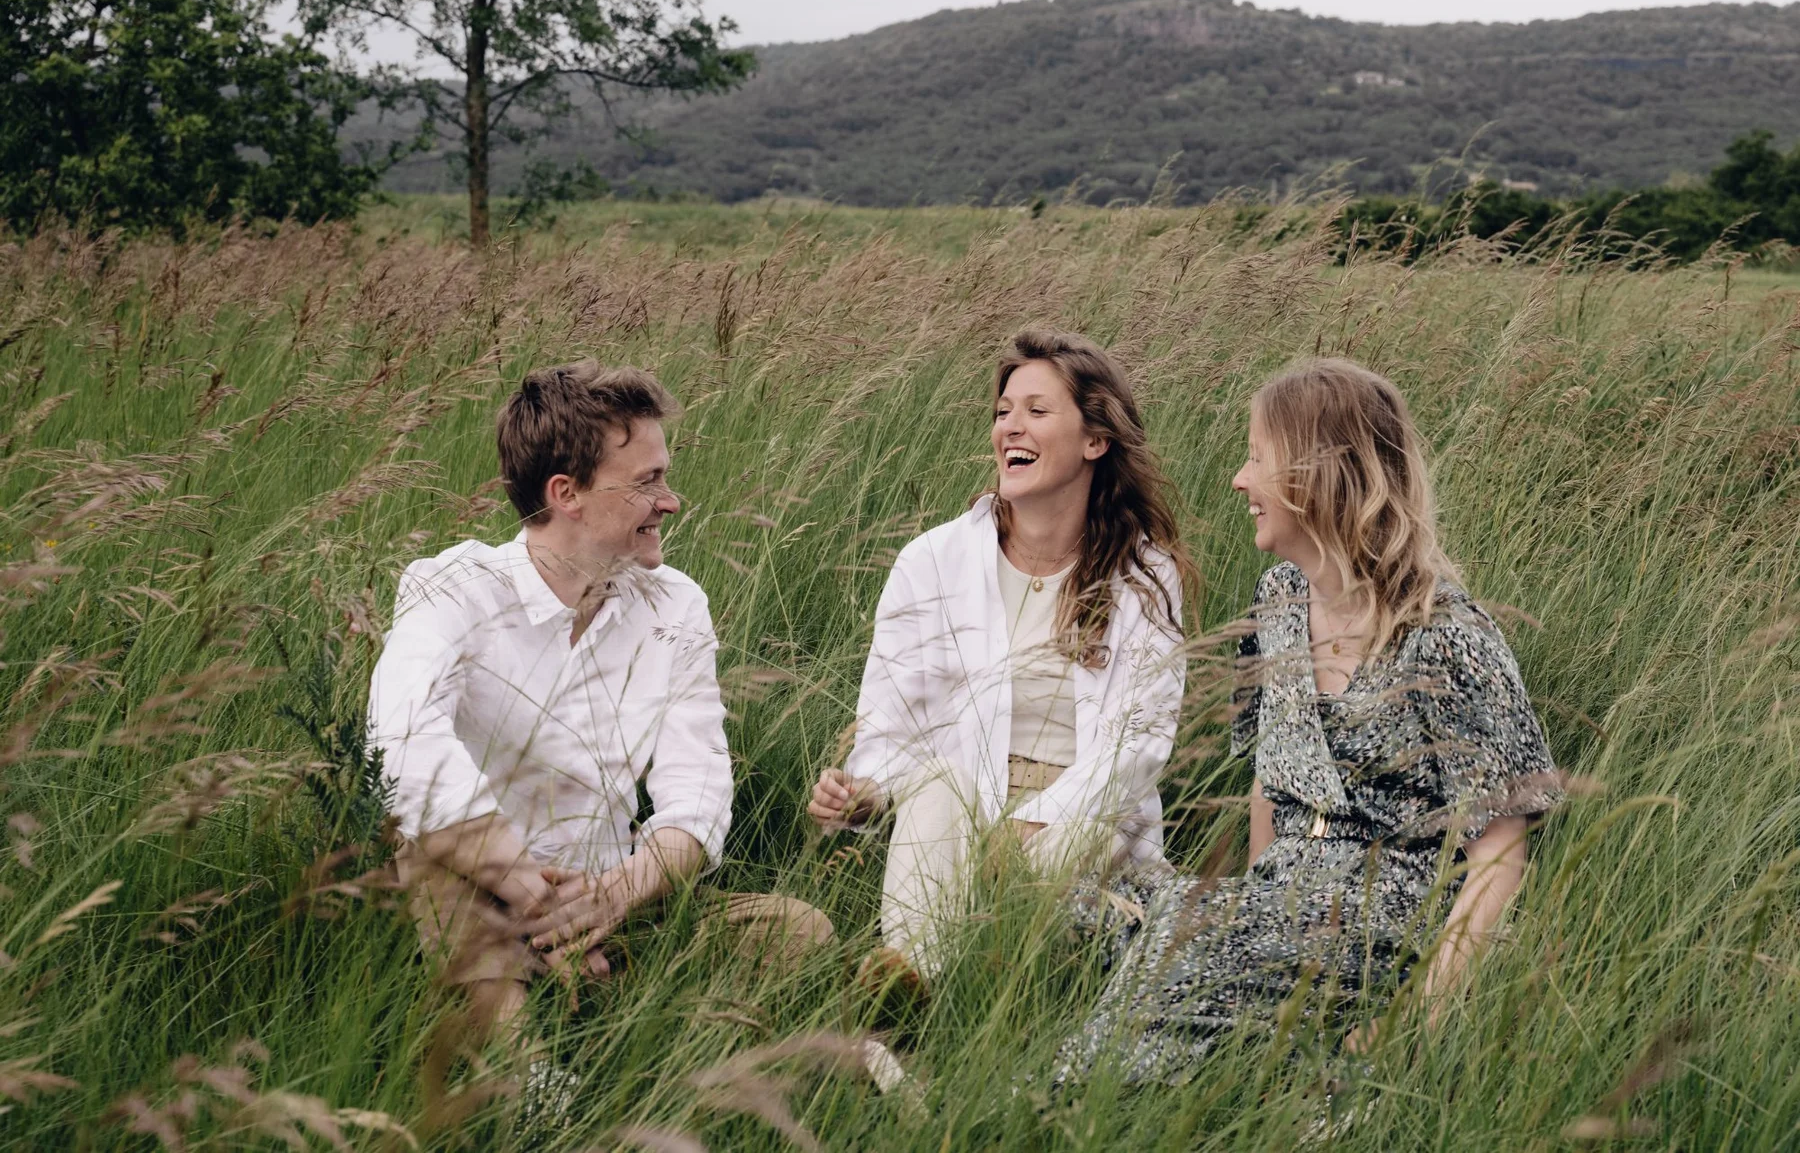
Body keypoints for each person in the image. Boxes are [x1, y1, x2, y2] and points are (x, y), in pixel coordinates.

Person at [1049, 357, 1564, 1086]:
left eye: (1257, 457)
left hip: (1381, 915)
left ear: (1319, 474)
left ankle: (1063, 1095)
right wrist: (1251, 909)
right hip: (1279, 899)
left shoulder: (1449, 635)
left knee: (1175, 938)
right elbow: (1272, 779)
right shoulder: (1281, 596)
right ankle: (1259, 1056)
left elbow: (1499, 857)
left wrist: (1416, 1023)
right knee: (1082, 900)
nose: (1238, 479)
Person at [368, 362, 832, 1046]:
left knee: (800, 931)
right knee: (426, 840)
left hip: (611, 893)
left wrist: (613, 895)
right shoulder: (454, 589)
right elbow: (402, 743)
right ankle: (526, 1080)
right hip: (482, 893)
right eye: (647, 482)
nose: (671, 501)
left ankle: (648, 1040)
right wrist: (538, 897)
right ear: (568, 494)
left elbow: (698, 793)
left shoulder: (675, 605)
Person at [808, 329, 1193, 989]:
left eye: (1037, 411)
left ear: (1095, 440)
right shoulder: (932, 561)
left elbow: (1140, 741)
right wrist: (865, 788)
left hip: (1081, 809)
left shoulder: (1144, 573)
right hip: (961, 801)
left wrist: (1036, 820)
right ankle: (908, 985)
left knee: (1074, 845)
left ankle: (988, 991)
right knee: (935, 789)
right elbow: (891, 723)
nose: (1010, 426)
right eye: (1003, 411)